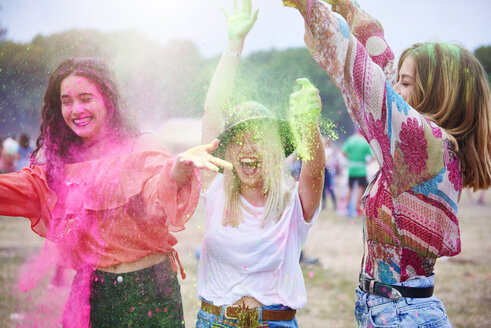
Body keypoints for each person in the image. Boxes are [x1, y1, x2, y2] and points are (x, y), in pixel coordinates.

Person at [283, 0, 491, 327]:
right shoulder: (434, 145)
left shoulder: (425, 143)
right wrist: (350, 9)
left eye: (405, 83)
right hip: (396, 309)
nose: (394, 87)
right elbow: (384, 65)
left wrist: (309, 5)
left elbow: (356, 68)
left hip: (400, 315)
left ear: (437, 95)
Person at [0, 57, 231, 327]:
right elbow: (15, 189)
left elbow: (159, 190)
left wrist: (177, 169)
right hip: (94, 298)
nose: (76, 109)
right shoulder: (58, 167)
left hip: (151, 296)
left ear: (107, 100)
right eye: (66, 101)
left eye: (86, 98)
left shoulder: (141, 146)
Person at [196, 1, 325, 327]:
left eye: (258, 138)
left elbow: (315, 168)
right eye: (238, 138)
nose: (247, 147)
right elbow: (213, 112)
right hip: (214, 321)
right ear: (226, 150)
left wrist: (309, 123)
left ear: (275, 150)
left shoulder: (292, 202)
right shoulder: (215, 188)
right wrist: (234, 43)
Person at [342, 128, 372, 216]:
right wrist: (366, 162)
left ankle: (346, 208)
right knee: (360, 189)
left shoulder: (350, 140)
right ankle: (356, 209)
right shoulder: (365, 142)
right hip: (361, 168)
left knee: (350, 188)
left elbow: (343, 152)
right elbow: (372, 156)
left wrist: (350, 159)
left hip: (351, 168)